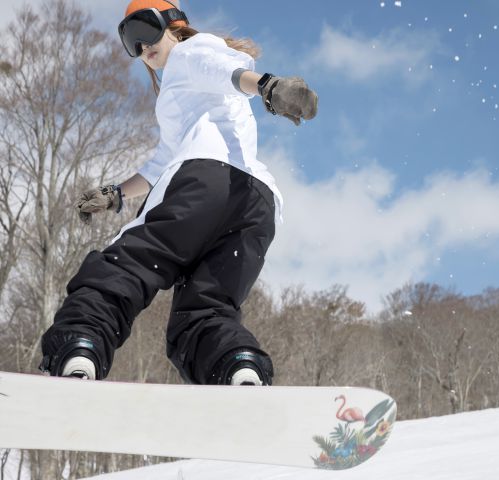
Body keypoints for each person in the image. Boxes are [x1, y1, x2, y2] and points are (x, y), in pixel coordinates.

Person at [38, 0, 317, 386]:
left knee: (125, 267)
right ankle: (238, 368)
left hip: (205, 182)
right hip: (256, 204)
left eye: (143, 31)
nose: (141, 49)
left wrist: (268, 86)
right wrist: (117, 193)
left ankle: (79, 345)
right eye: (129, 42)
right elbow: (162, 163)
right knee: (207, 310)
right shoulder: (182, 98)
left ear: (174, 23)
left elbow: (224, 71)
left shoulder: (192, 52)